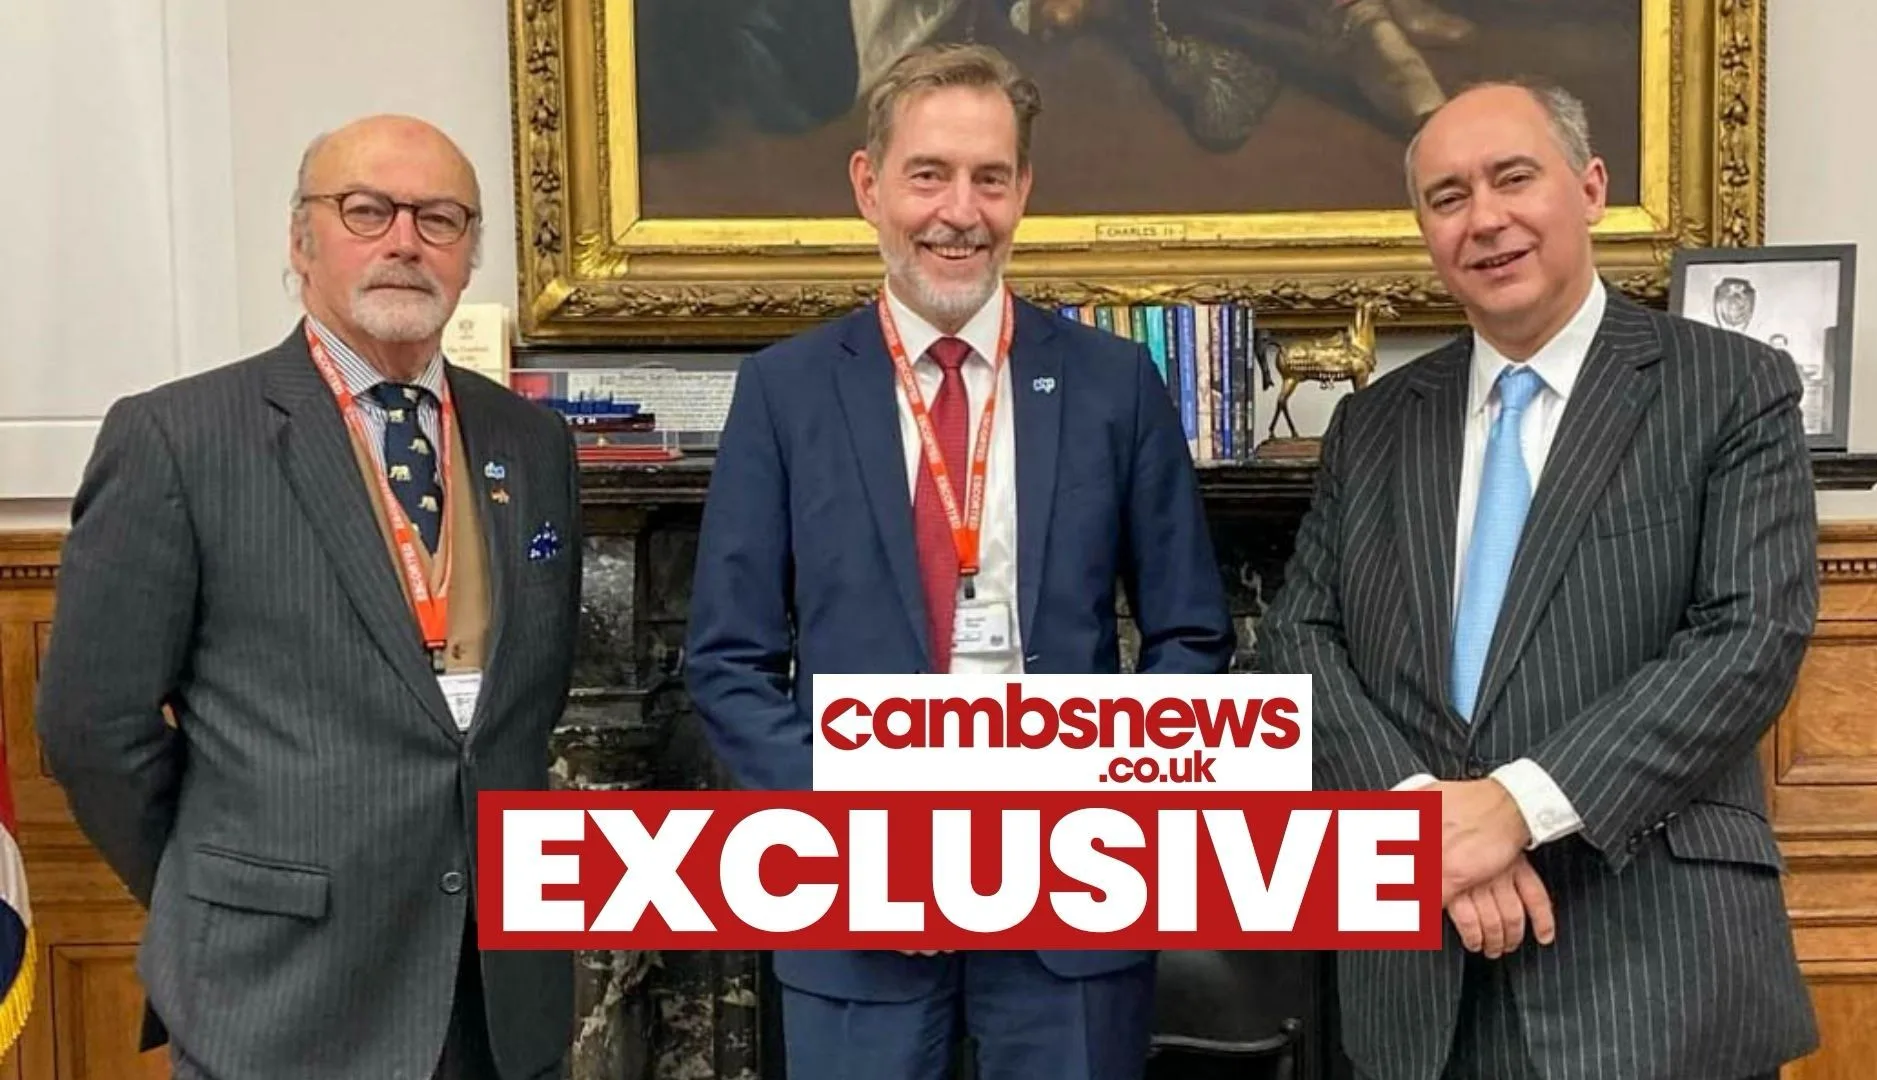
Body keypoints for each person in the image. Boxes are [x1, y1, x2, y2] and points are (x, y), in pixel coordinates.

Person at [684, 42, 1234, 1080]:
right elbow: (728, 661)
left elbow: (1192, 638)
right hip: (856, 914)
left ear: (1024, 190)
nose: (959, 211)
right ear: (869, 186)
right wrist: (867, 843)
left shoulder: (1116, 386)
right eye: (928, 174)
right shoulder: (785, 393)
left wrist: (1088, 816)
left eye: (990, 177)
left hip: (1073, 906)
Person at [1259, 81, 1819, 1080]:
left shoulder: (1731, 386)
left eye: (1514, 178)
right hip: (1419, 980)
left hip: (1655, 966)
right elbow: (1298, 639)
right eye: (1447, 196)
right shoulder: (1372, 426)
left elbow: (1750, 637)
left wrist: (1516, 808)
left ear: (1591, 187)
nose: (1485, 218)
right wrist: (1423, 820)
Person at [36, 115, 581, 1080]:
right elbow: (93, 726)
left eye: (441, 218)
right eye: (367, 210)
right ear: (301, 240)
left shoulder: (529, 445)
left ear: (469, 255)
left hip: (495, 994)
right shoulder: (180, 436)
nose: (406, 241)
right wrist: (218, 884)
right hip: (280, 995)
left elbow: (526, 708)